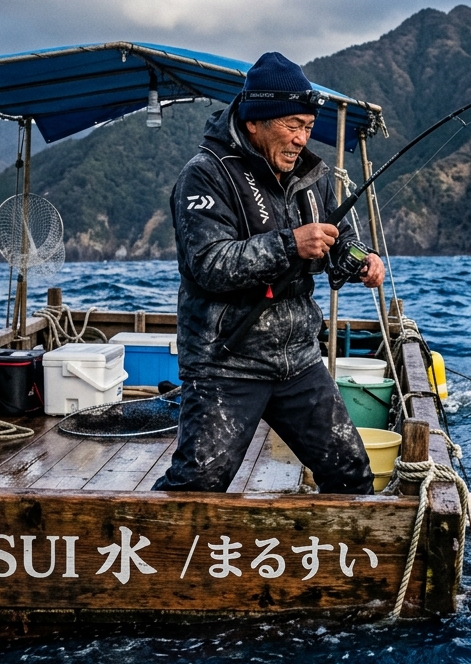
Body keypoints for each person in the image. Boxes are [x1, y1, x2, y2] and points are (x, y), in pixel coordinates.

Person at [153, 52, 385, 494]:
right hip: (226, 361)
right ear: (256, 121)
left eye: (307, 127)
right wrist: (290, 243)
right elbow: (209, 265)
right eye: (292, 125)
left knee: (351, 474)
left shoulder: (311, 176)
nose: (301, 138)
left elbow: (338, 240)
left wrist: (361, 260)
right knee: (196, 484)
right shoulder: (204, 175)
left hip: (297, 358)